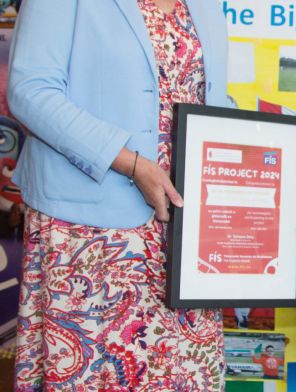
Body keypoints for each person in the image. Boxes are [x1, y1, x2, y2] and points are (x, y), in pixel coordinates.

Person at [8, 0, 230, 390]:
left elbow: (209, 102)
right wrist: (129, 161)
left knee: (184, 376)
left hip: (182, 237)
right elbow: (31, 91)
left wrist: (272, 164)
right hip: (87, 234)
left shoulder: (206, 5)